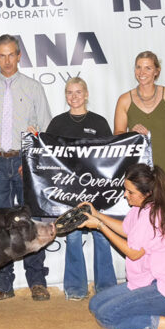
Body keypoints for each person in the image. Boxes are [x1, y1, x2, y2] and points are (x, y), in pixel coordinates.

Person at [0, 34, 52, 302]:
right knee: (0, 226)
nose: (7, 61)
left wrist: (31, 162)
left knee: (32, 220)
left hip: (23, 161)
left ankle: (37, 281)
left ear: (19, 56)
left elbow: (45, 129)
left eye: (11, 55)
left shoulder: (33, 87)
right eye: (1, 55)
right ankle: (3, 283)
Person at [79, 163, 165, 329]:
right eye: (126, 190)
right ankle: (161, 313)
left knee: (106, 316)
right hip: (155, 281)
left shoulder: (153, 214)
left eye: (130, 192)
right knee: (95, 304)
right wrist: (97, 215)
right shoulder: (144, 207)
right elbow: (126, 230)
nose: (125, 195)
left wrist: (100, 226)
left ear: (148, 193)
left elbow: (134, 253)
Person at [46, 77, 117, 300]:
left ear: (86, 94)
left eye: (78, 92)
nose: (74, 96)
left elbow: (112, 155)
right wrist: (34, 137)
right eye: (69, 92)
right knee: (74, 237)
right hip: (68, 191)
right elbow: (46, 155)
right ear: (65, 96)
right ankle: (75, 287)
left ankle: (106, 287)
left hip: (97, 190)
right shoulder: (57, 123)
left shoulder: (99, 122)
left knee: (102, 235)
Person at [114, 51, 165, 191]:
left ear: (156, 71)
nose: (142, 72)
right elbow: (118, 134)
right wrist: (132, 134)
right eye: (138, 67)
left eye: (148, 68)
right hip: (139, 172)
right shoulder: (124, 100)